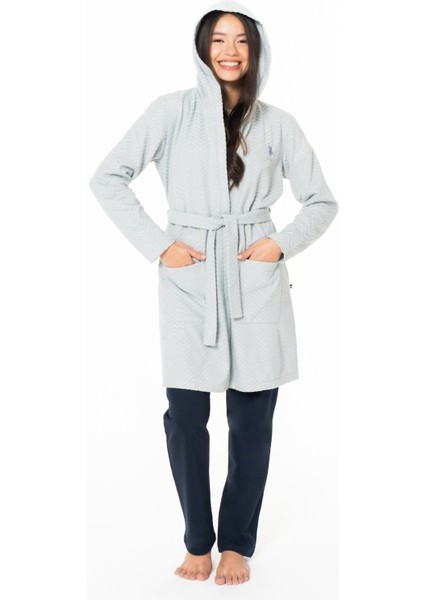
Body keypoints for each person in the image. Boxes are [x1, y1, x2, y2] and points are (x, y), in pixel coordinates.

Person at [89, 0, 338, 586]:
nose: (230, 51)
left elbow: (322, 201)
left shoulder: (278, 123)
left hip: (254, 275)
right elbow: (108, 177)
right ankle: (197, 540)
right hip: (191, 275)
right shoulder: (170, 112)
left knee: (252, 419)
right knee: (185, 417)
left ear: (255, 51)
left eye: (241, 41)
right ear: (203, 49)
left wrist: (279, 245)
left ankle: (237, 544)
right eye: (219, 40)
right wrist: (159, 246)